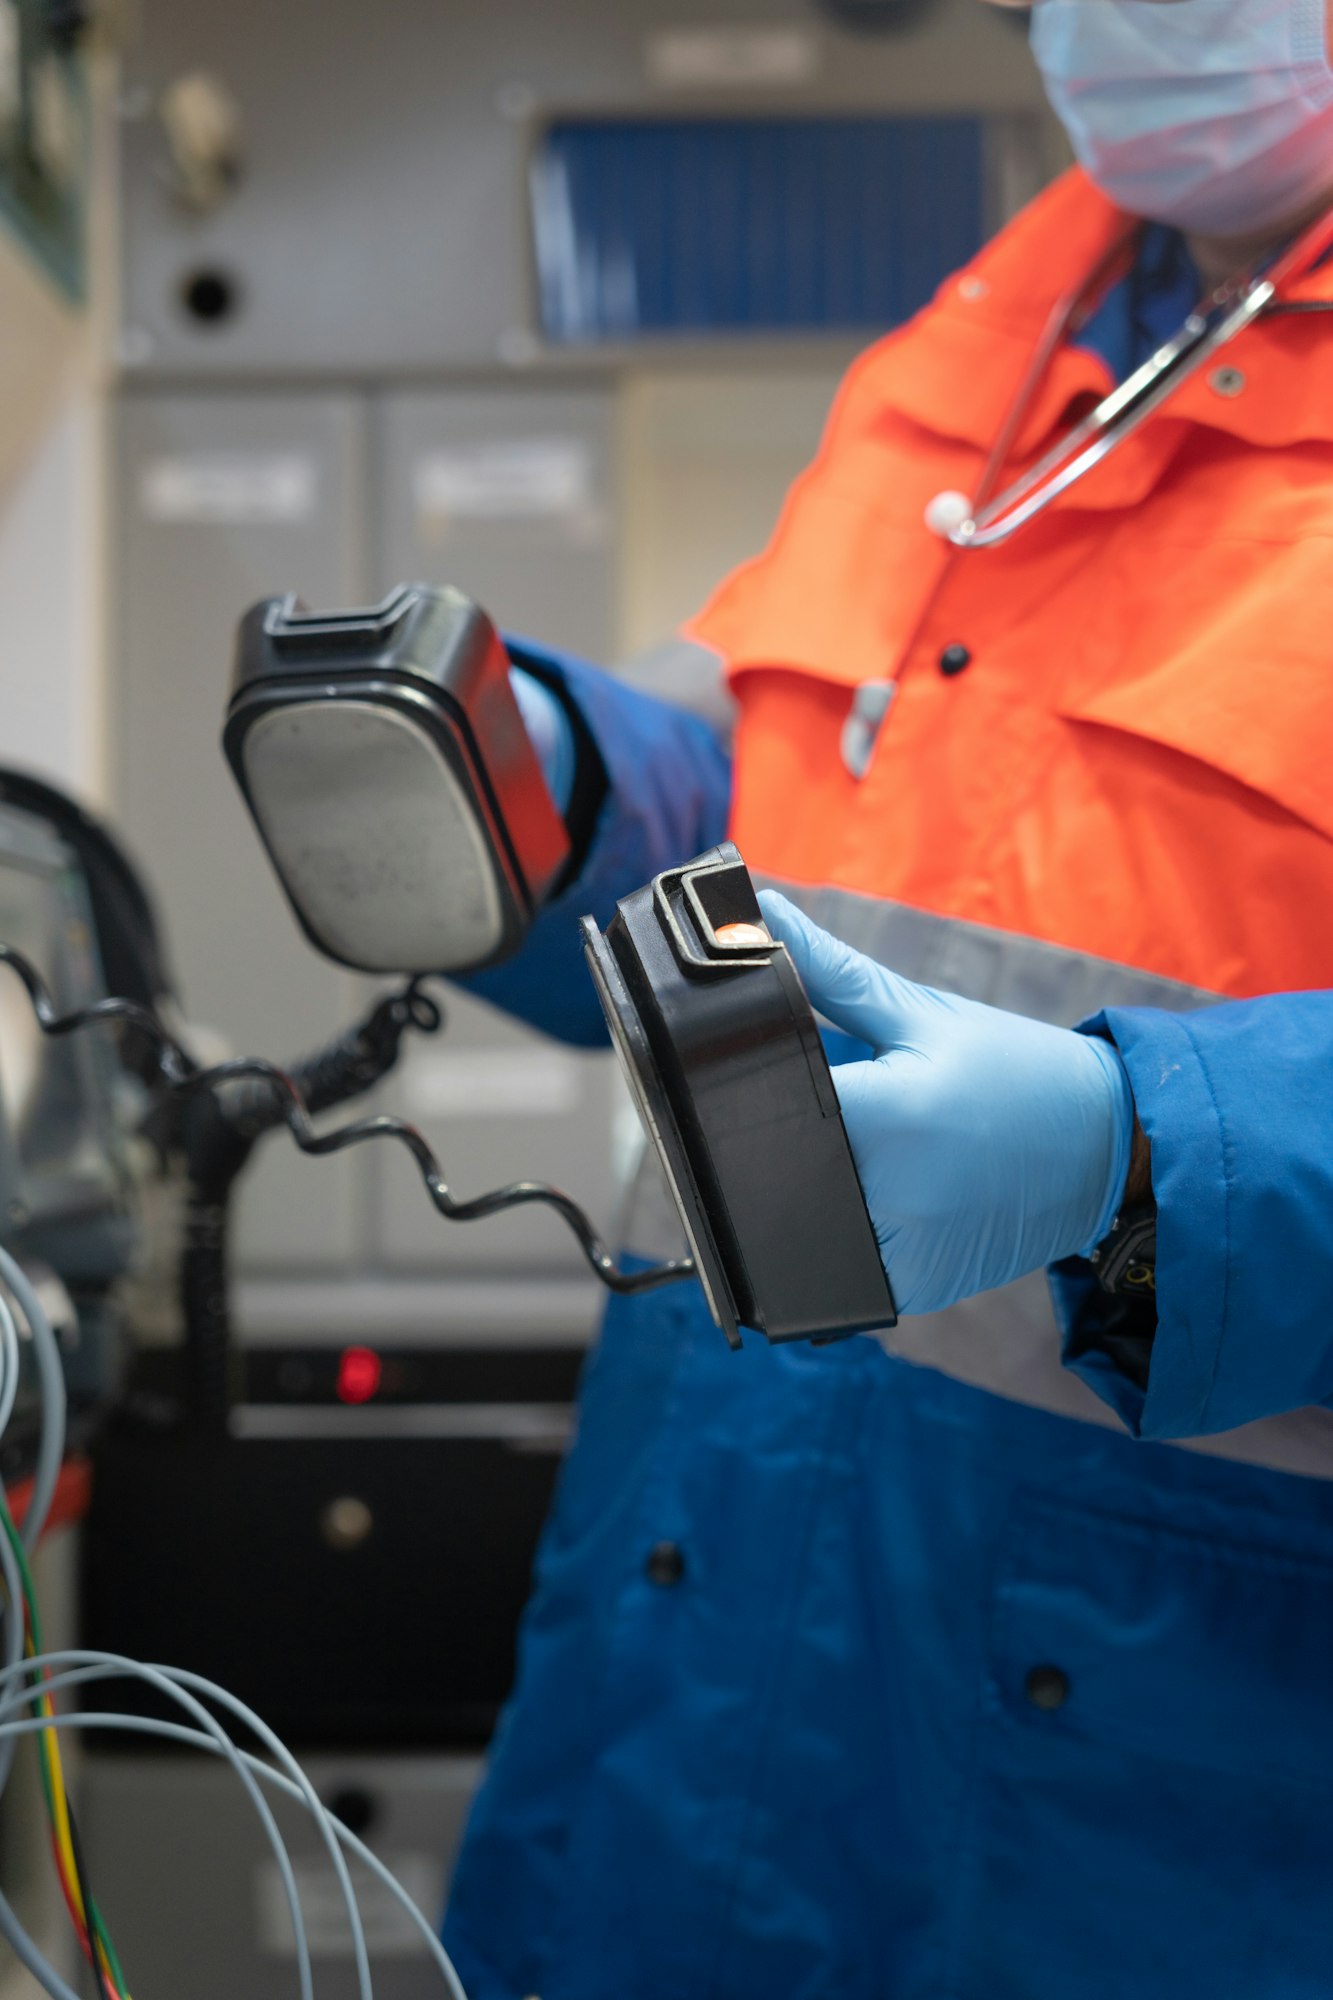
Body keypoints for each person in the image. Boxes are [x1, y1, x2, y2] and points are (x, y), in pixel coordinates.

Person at [442, 0, 1333, 1991]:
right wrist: (561, 792)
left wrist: (1143, 1151)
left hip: (1151, 1775)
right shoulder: (974, 363)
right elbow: (805, 813)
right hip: (692, 1641)